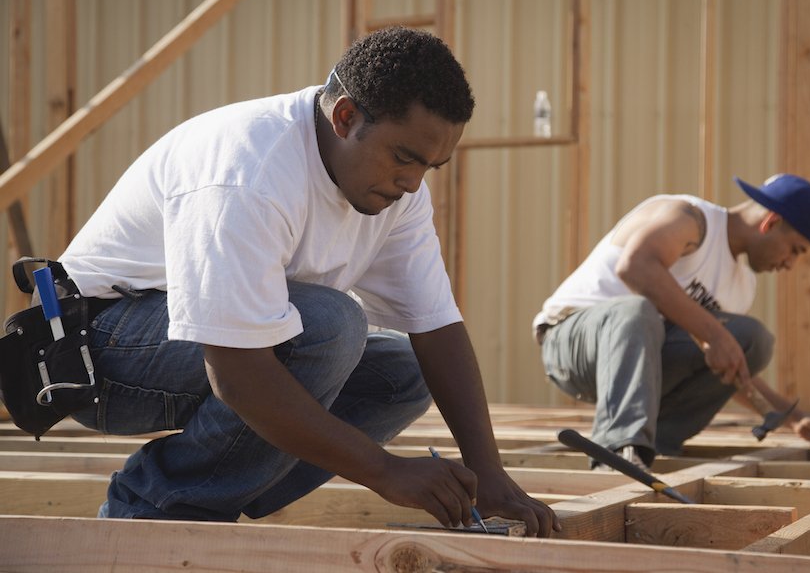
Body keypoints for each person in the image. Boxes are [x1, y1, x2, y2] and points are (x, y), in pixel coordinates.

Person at [57, 27, 559, 536]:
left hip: (191, 350)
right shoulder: (247, 169)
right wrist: (383, 471)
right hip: (92, 356)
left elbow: (436, 329)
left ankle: (229, 488)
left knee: (400, 372)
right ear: (345, 117)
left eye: (431, 166)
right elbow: (235, 371)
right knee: (329, 325)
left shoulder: (397, 192)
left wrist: (489, 473)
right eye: (405, 158)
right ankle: (153, 511)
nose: (413, 182)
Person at [533, 174, 810, 470]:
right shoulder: (690, 219)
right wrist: (715, 334)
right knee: (637, 311)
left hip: (640, 369)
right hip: (571, 343)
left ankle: (650, 447)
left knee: (752, 339)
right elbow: (636, 267)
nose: (790, 264)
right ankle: (617, 450)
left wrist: (793, 418)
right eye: (795, 250)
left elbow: (726, 365)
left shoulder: (741, 286)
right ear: (771, 222)